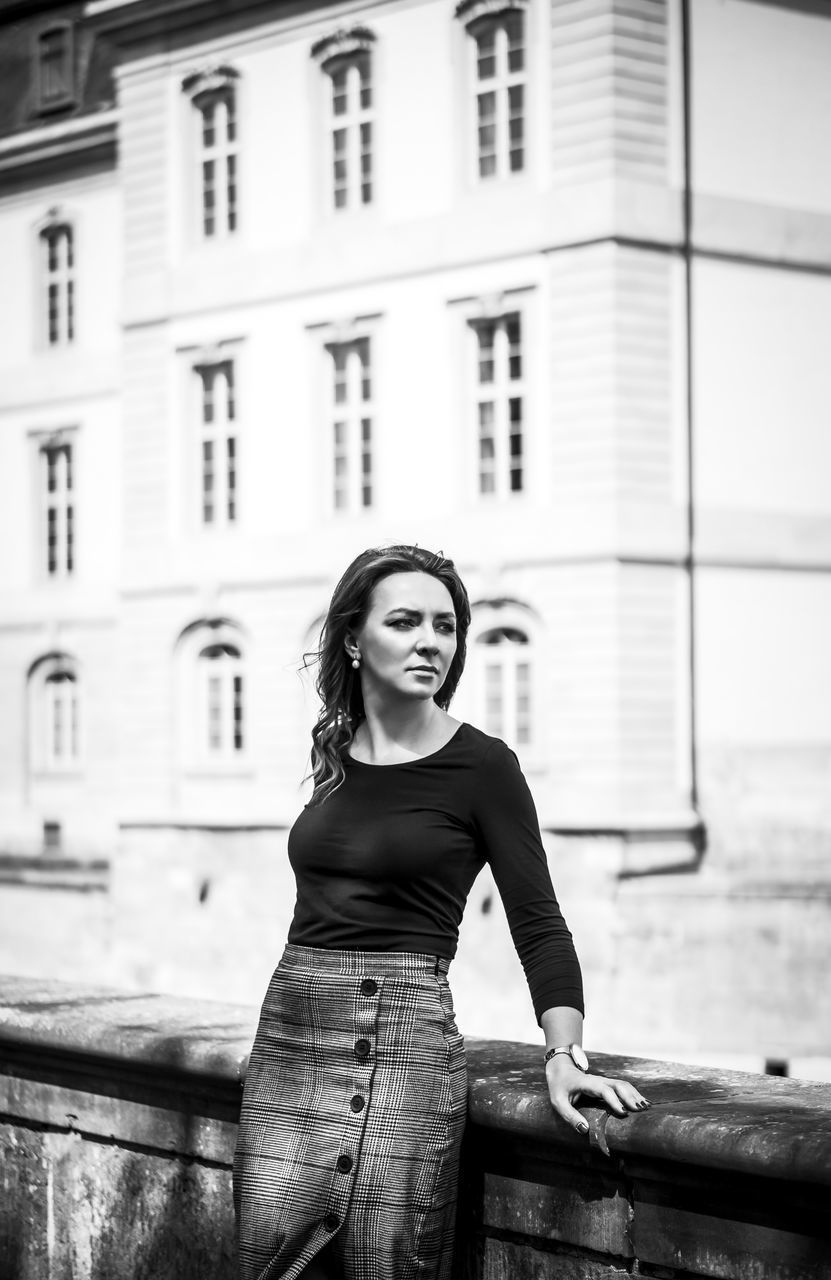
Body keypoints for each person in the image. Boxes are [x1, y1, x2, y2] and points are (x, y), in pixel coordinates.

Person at [233, 544, 649, 1280]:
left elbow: (539, 921)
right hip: (291, 1043)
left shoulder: (483, 766)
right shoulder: (333, 751)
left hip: (403, 1041)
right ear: (354, 640)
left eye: (446, 625)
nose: (431, 640)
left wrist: (563, 1054)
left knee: (389, 1265)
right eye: (405, 621)